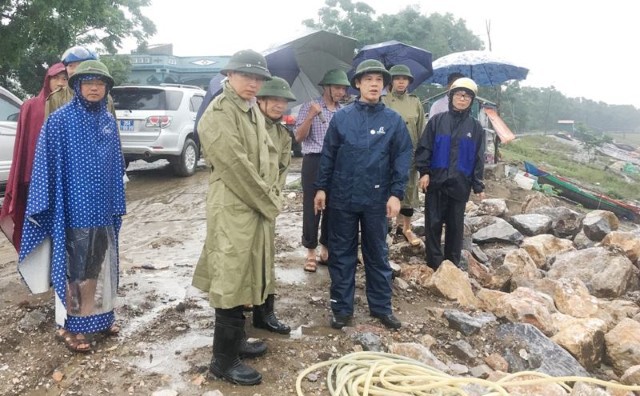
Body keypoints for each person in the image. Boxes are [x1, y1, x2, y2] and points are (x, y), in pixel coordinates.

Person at [19, 60, 126, 353]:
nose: (94, 88)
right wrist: (45, 205)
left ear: (106, 89)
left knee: (96, 266)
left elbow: (116, 166)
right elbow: (44, 164)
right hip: (72, 209)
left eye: (100, 83)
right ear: (77, 86)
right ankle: (69, 325)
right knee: (74, 269)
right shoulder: (60, 120)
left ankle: (93, 317)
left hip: (102, 209)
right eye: (88, 82)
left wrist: (118, 202)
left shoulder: (107, 121)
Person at [191, 49, 277, 386]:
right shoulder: (218, 113)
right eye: (247, 76)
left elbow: (268, 153)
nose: (254, 83)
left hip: (253, 206)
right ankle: (222, 360)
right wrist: (269, 200)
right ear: (229, 75)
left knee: (246, 270)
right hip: (233, 206)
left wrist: (271, 191)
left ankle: (238, 341)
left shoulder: (250, 108)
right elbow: (236, 166)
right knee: (230, 274)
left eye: (258, 78)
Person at [313, 59, 412, 330]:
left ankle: (381, 308)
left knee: (377, 254)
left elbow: (402, 157)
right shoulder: (342, 118)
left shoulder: (392, 121)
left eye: (378, 80)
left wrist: (396, 193)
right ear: (357, 83)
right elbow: (329, 154)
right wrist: (321, 187)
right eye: (368, 79)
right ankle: (342, 310)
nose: (373, 84)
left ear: (384, 86)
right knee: (342, 255)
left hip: (376, 200)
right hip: (342, 197)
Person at [415, 77, 486, 270]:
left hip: (460, 184)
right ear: (451, 96)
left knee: (455, 227)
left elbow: (479, 157)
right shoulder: (437, 121)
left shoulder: (476, 128)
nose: (462, 99)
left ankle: (451, 265)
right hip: (436, 182)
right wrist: (424, 172)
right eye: (459, 94)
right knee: (433, 224)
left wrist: (478, 184)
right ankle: (434, 264)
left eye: (467, 96)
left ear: (472, 100)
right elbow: (425, 148)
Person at [0, 63, 68, 252]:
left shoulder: (71, 108)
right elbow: (24, 143)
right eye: (56, 78)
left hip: (62, 177)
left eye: (65, 79)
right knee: (35, 221)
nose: (61, 83)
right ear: (48, 80)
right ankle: (37, 267)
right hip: (34, 176)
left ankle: (60, 265)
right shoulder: (30, 106)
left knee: (61, 222)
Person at [252, 76, 296, 335]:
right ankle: (240, 309)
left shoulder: (282, 134)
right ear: (261, 100)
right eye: (274, 100)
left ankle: (265, 312)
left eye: (283, 101)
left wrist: (275, 198)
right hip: (247, 201)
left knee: (266, 258)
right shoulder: (250, 127)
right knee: (245, 259)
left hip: (269, 205)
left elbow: (282, 170)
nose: (279, 106)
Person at [294, 68, 350, 273]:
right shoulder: (310, 106)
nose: (341, 92)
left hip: (337, 162)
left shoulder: (343, 111)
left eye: (343, 88)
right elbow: (298, 137)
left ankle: (326, 248)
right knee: (313, 206)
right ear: (326, 87)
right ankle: (310, 251)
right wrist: (310, 116)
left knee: (333, 207)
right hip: (314, 160)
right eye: (337, 87)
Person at [382, 64, 426, 246]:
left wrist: (423, 160)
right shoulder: (382, 101)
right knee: (386, 190)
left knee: (409, 191)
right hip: (387, 155)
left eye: (405, 78)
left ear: (409, 81)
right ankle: (386, 229)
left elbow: (422, 130)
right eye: (397, 78)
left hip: (410, 155)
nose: (401, 82)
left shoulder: (415, 102)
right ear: (391, 81)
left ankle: (406, 228)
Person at [45, 45, 116, 118]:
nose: (74, 70)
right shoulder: (57, 97)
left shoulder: (106, 98)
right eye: (70, 66)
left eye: (80, 65)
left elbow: (112, 126)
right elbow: (50, 125)